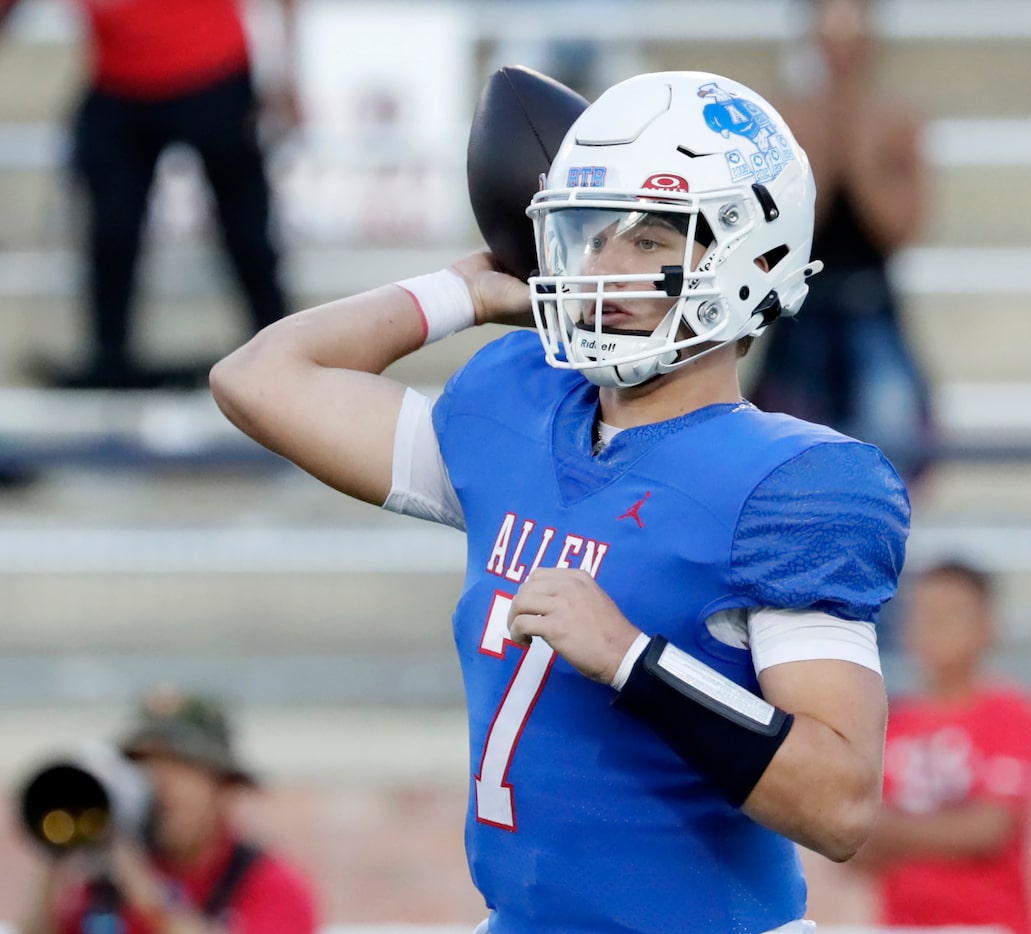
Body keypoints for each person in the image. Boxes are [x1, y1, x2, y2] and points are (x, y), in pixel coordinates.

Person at [211, 69, 910, 933]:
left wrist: (631, 660)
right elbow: (257, 379)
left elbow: (839, 805)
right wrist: (460, 292)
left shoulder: (792, 484)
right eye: (586, 236)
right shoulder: (520, 411)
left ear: (752, 255)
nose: (604, 268)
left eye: (649, 241)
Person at [0, 0, 298, 390]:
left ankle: (281, 351)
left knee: (245, 229)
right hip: (118, 80)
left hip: (213, 69)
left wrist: (287, 71)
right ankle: (110, 354)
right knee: (111, 228)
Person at [749, 0, 935, 484]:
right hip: (799, 308)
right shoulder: (786, 117)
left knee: (893, 446)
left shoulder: (896, 121)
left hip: (870, 303)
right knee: (789, 456)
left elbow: (897, 228)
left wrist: (854, 137)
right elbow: (792, 224)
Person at [18, 687, 320, 934]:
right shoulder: (100, 887)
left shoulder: (271, 885)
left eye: (180, 766)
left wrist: (144, 891)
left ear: (224, 785)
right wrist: (56, 862)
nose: (159, 783)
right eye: (143, 765)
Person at [850, 560, 1031, 934]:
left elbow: (989, 829)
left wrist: (888, 830)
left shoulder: (1012, 714)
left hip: (994, 925)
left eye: (951, 613)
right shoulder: (887, 723)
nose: (934, 626)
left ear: (987, 625)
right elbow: (851, 847)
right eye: (924, 613)